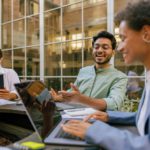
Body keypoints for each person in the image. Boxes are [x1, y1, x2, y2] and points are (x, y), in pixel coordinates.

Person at [62, 0, 150, 149]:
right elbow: (144, 118)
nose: (121, 47)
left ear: (146, 35)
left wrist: (94, 131)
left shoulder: (120, 77)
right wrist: (110, 116)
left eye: (123, 38)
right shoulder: (148, 76)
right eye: (97, 47)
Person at [52, 31, 128, 111]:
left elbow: (114, 104)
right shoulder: (83, 71)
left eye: (105, 47)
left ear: (113, 52)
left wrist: (81, 99)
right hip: (73, 115)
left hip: (97, 121)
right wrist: (57, 97)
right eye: (96, 47)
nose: (99, 50)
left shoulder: (120, 77)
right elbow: (72, 94)